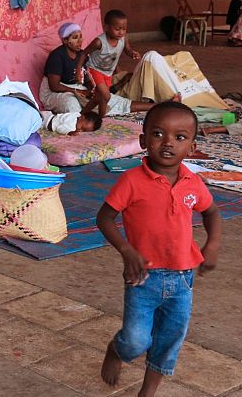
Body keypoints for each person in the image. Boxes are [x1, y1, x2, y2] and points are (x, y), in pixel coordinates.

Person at [96, 102, 222, 396]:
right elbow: (104, 217)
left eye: (180, 137)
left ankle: (147, 392)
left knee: (169, 340)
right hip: (143, 278)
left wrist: (212, 244)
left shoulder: (193, 181)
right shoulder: (131, 181)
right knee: (135, 340)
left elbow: (212, 212)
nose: (168, 143)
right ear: (143, 141)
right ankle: (116, 350)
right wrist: (126, 250)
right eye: (158, 134)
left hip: (182, 278)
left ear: (192, 147)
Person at [41, 22, 152, 115]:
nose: (80, 41)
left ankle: (155, 106)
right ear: (65, 41)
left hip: (76, 88)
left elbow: (87, 77)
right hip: (53, 92)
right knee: (71, 104)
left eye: (80, 37)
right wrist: (77, 91)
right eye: (75, 38)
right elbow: (54, 86)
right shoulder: (57, 56)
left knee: (108, 98)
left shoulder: (81, 55)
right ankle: (84, 120)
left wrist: (91, 90)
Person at [76, 10, 142, 117]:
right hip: (94, 69)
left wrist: (132, 53)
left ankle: (81, 115)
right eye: (117, 29)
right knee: (106, 96)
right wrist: (78, 70)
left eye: (124, 29)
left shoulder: (123, 39)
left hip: (108, 73)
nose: (121, 32)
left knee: (99, 98)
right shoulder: (99, 42)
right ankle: (102, 117)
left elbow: (127, 50)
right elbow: (84, 53)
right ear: (106, 27)